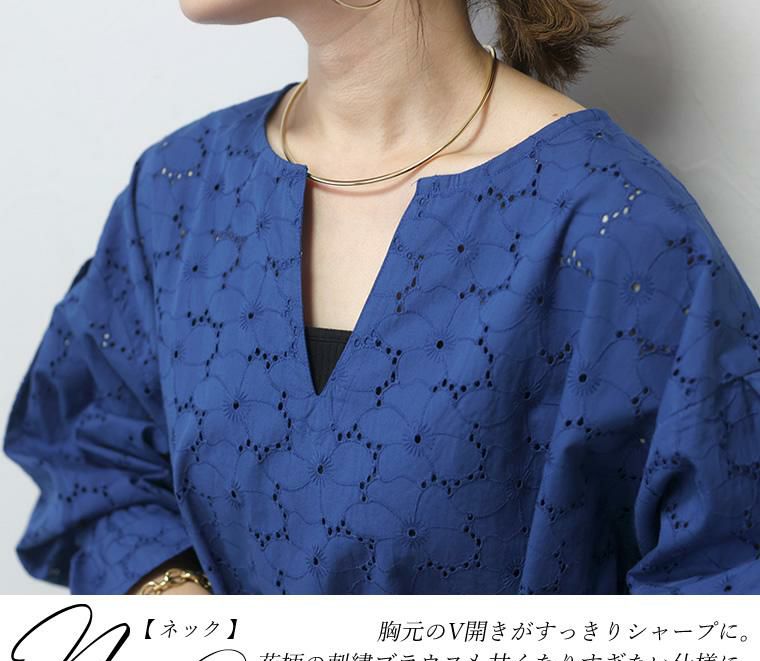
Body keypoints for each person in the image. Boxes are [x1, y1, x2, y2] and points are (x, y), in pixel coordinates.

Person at [5, 0, 760, 595]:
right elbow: (94, 456)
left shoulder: (614, 229)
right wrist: (182, 616)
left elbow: (725, 582)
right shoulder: (183, 191)